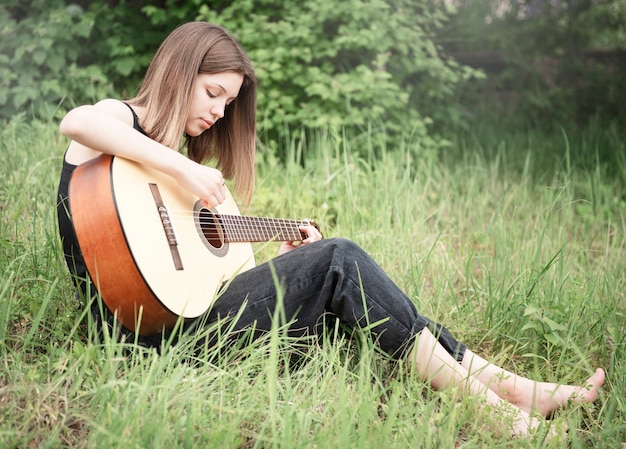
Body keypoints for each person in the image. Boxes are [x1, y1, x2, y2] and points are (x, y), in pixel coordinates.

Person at [56, 22, 604, 437]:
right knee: (339, 260)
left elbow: (197, 266)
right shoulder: (121, 124)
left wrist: (274, 242)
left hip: (185, 318)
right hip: (150, 341)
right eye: (214, 93)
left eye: (229, 101)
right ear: (180, 73)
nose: (221, 113)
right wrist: (183, 166)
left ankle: (509, 386)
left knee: (358, 290)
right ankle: (496, 409)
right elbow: (75, 122)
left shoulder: (167, 173)